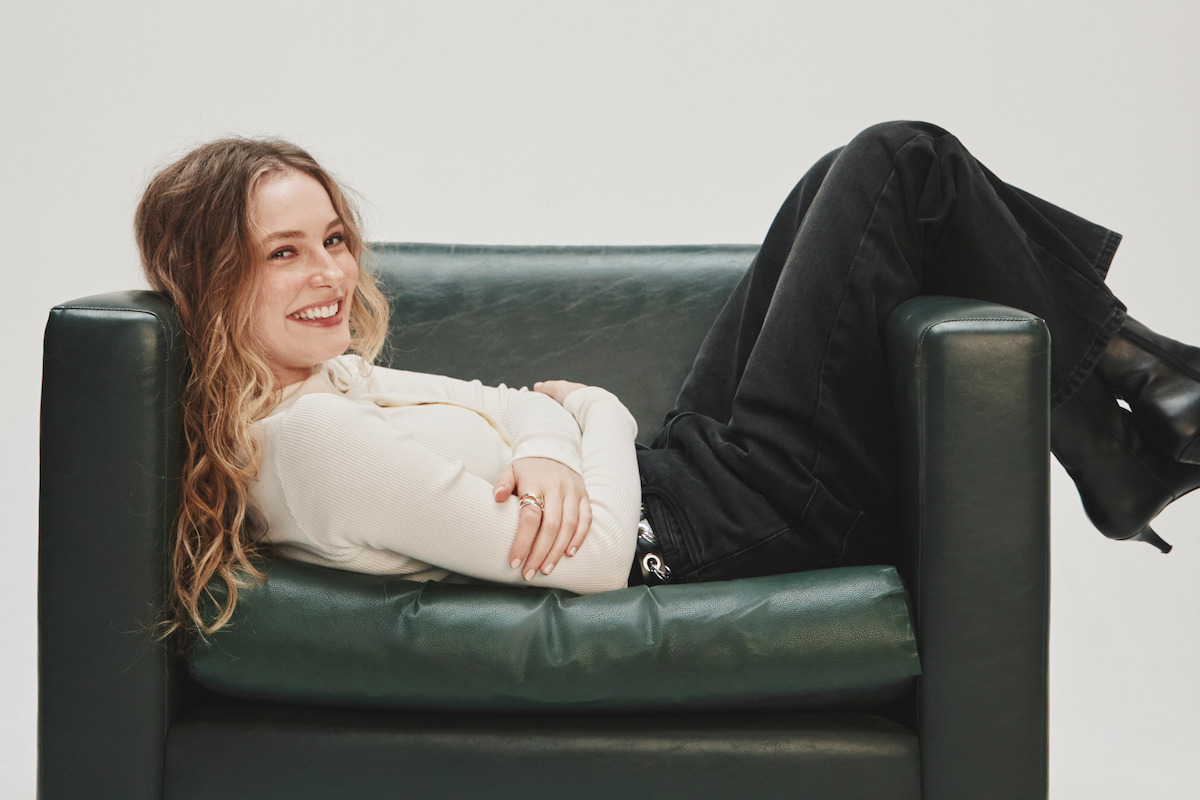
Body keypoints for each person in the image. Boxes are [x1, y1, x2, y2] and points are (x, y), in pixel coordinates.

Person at [136, 122, 1200, 636]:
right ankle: (1134, 403)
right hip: (704, 536)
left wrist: (558, 435)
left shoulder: (335, 385)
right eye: (284, 252)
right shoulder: (308, 440)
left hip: (685, 486)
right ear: (211, 276)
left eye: (332, 237)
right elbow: (595, 557)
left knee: (845, 179)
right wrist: (580, 423)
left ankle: (1124, 432)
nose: (330, 272)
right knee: (898, 165)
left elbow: (541, 406)